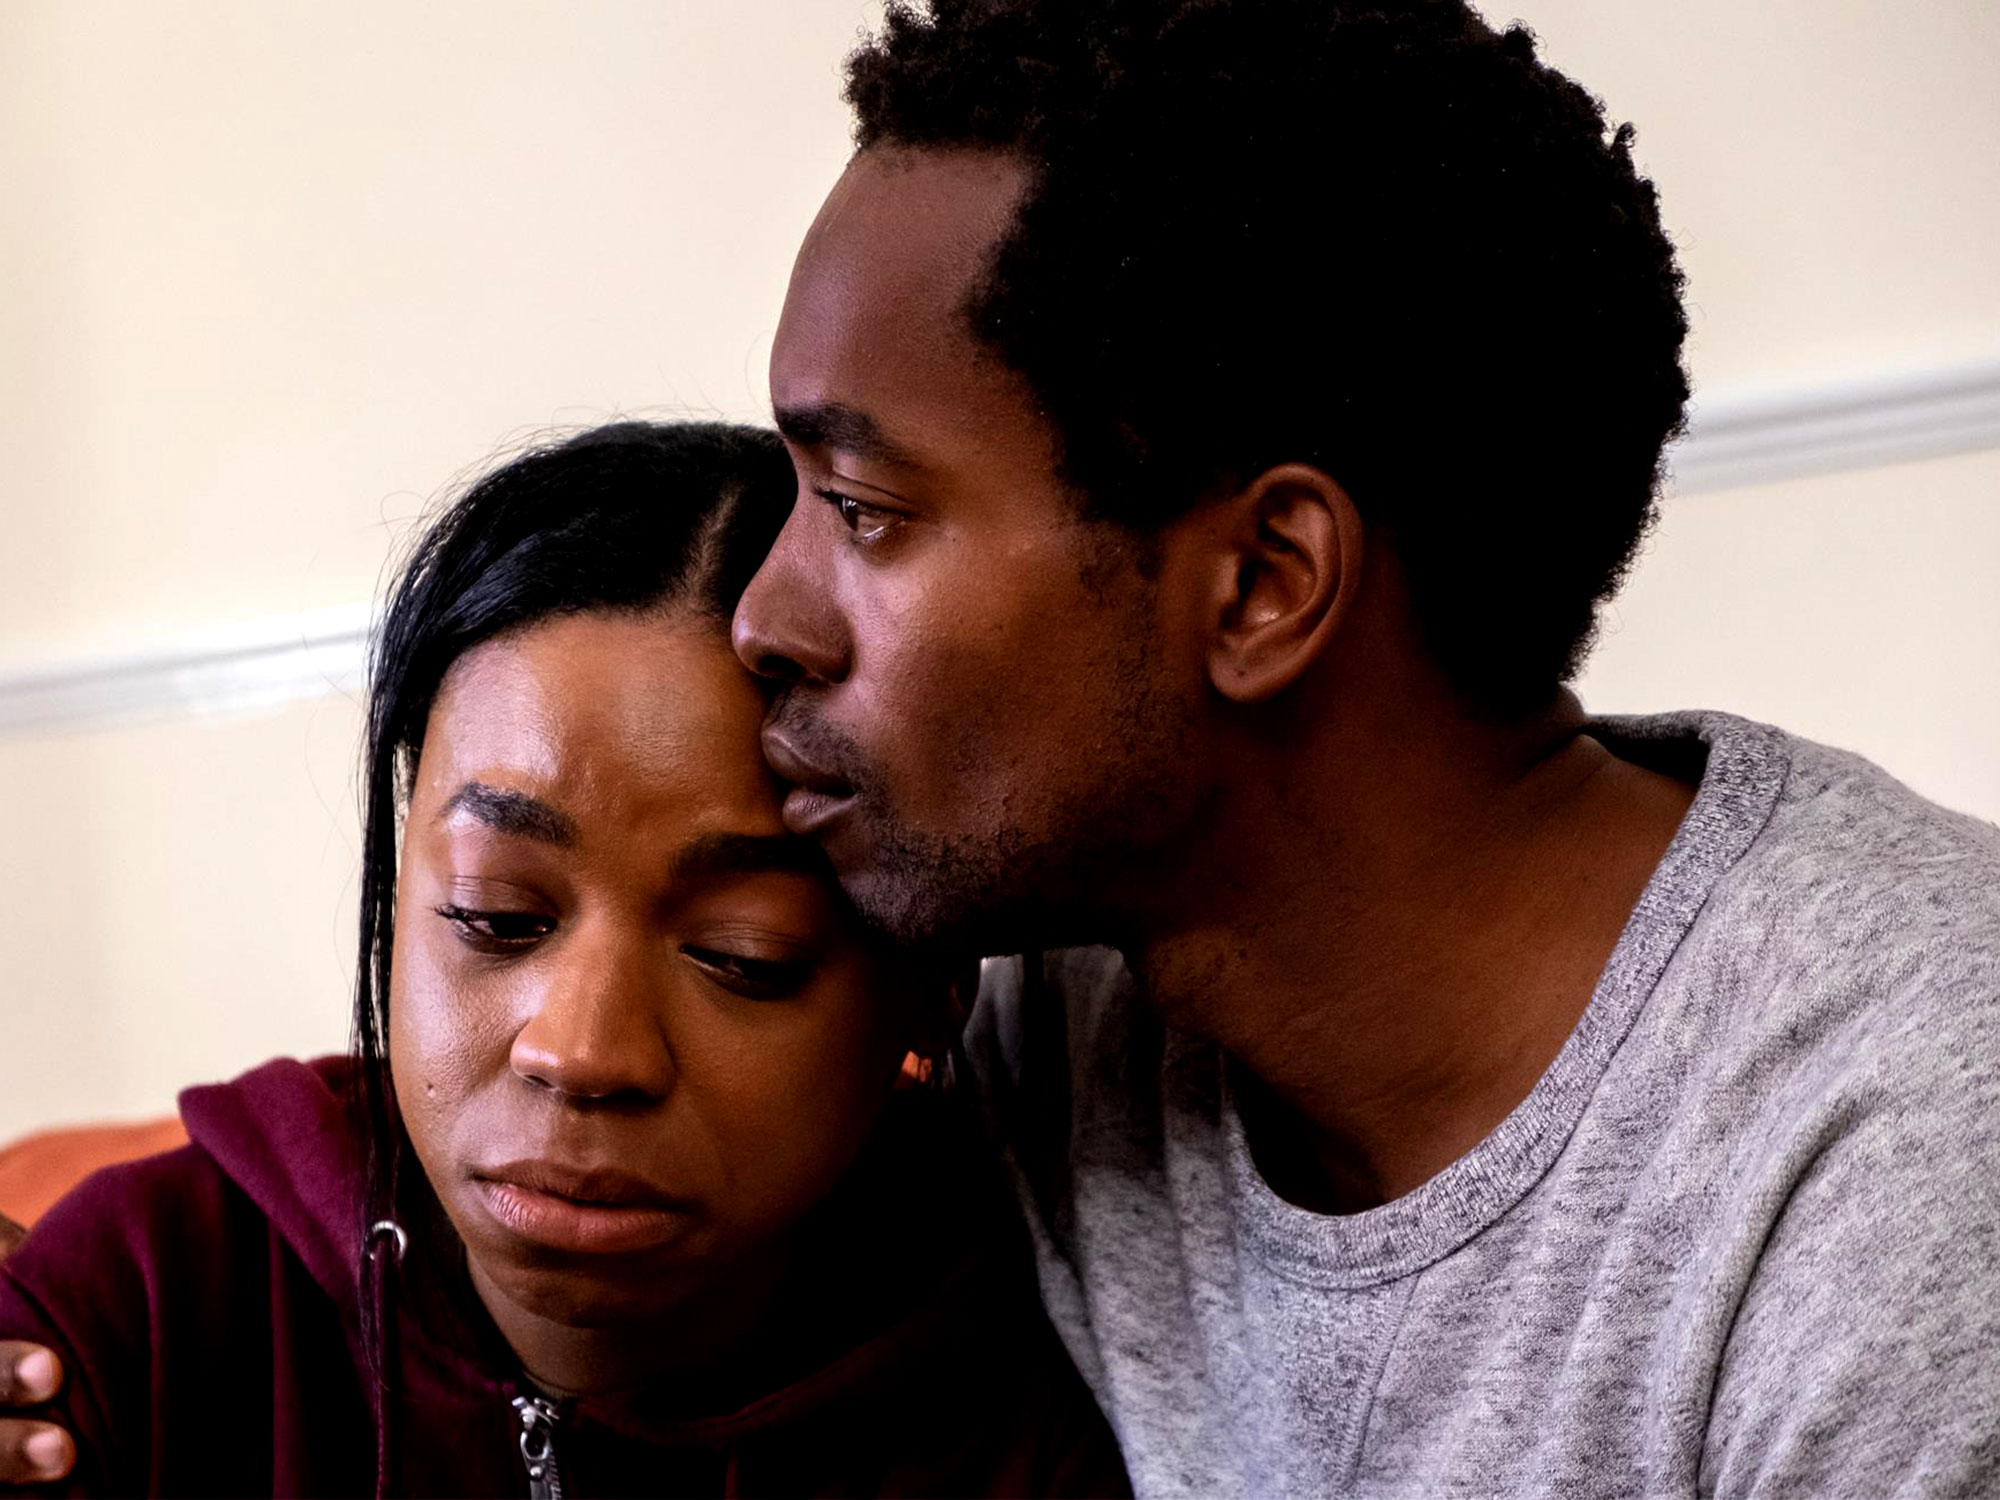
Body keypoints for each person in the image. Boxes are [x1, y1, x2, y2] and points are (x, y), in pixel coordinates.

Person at [724, 0, 2000, 1495]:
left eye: (863, 510)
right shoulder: (1057, 1008)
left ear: (1263, 585)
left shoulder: (1910, 1154)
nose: (764, 618)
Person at [0, 422, 1128, 1497]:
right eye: (496, 916)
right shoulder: (143, 1302)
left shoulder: (1036, 1407)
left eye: (742, 956)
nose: (581, 1052)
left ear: (933, 983)